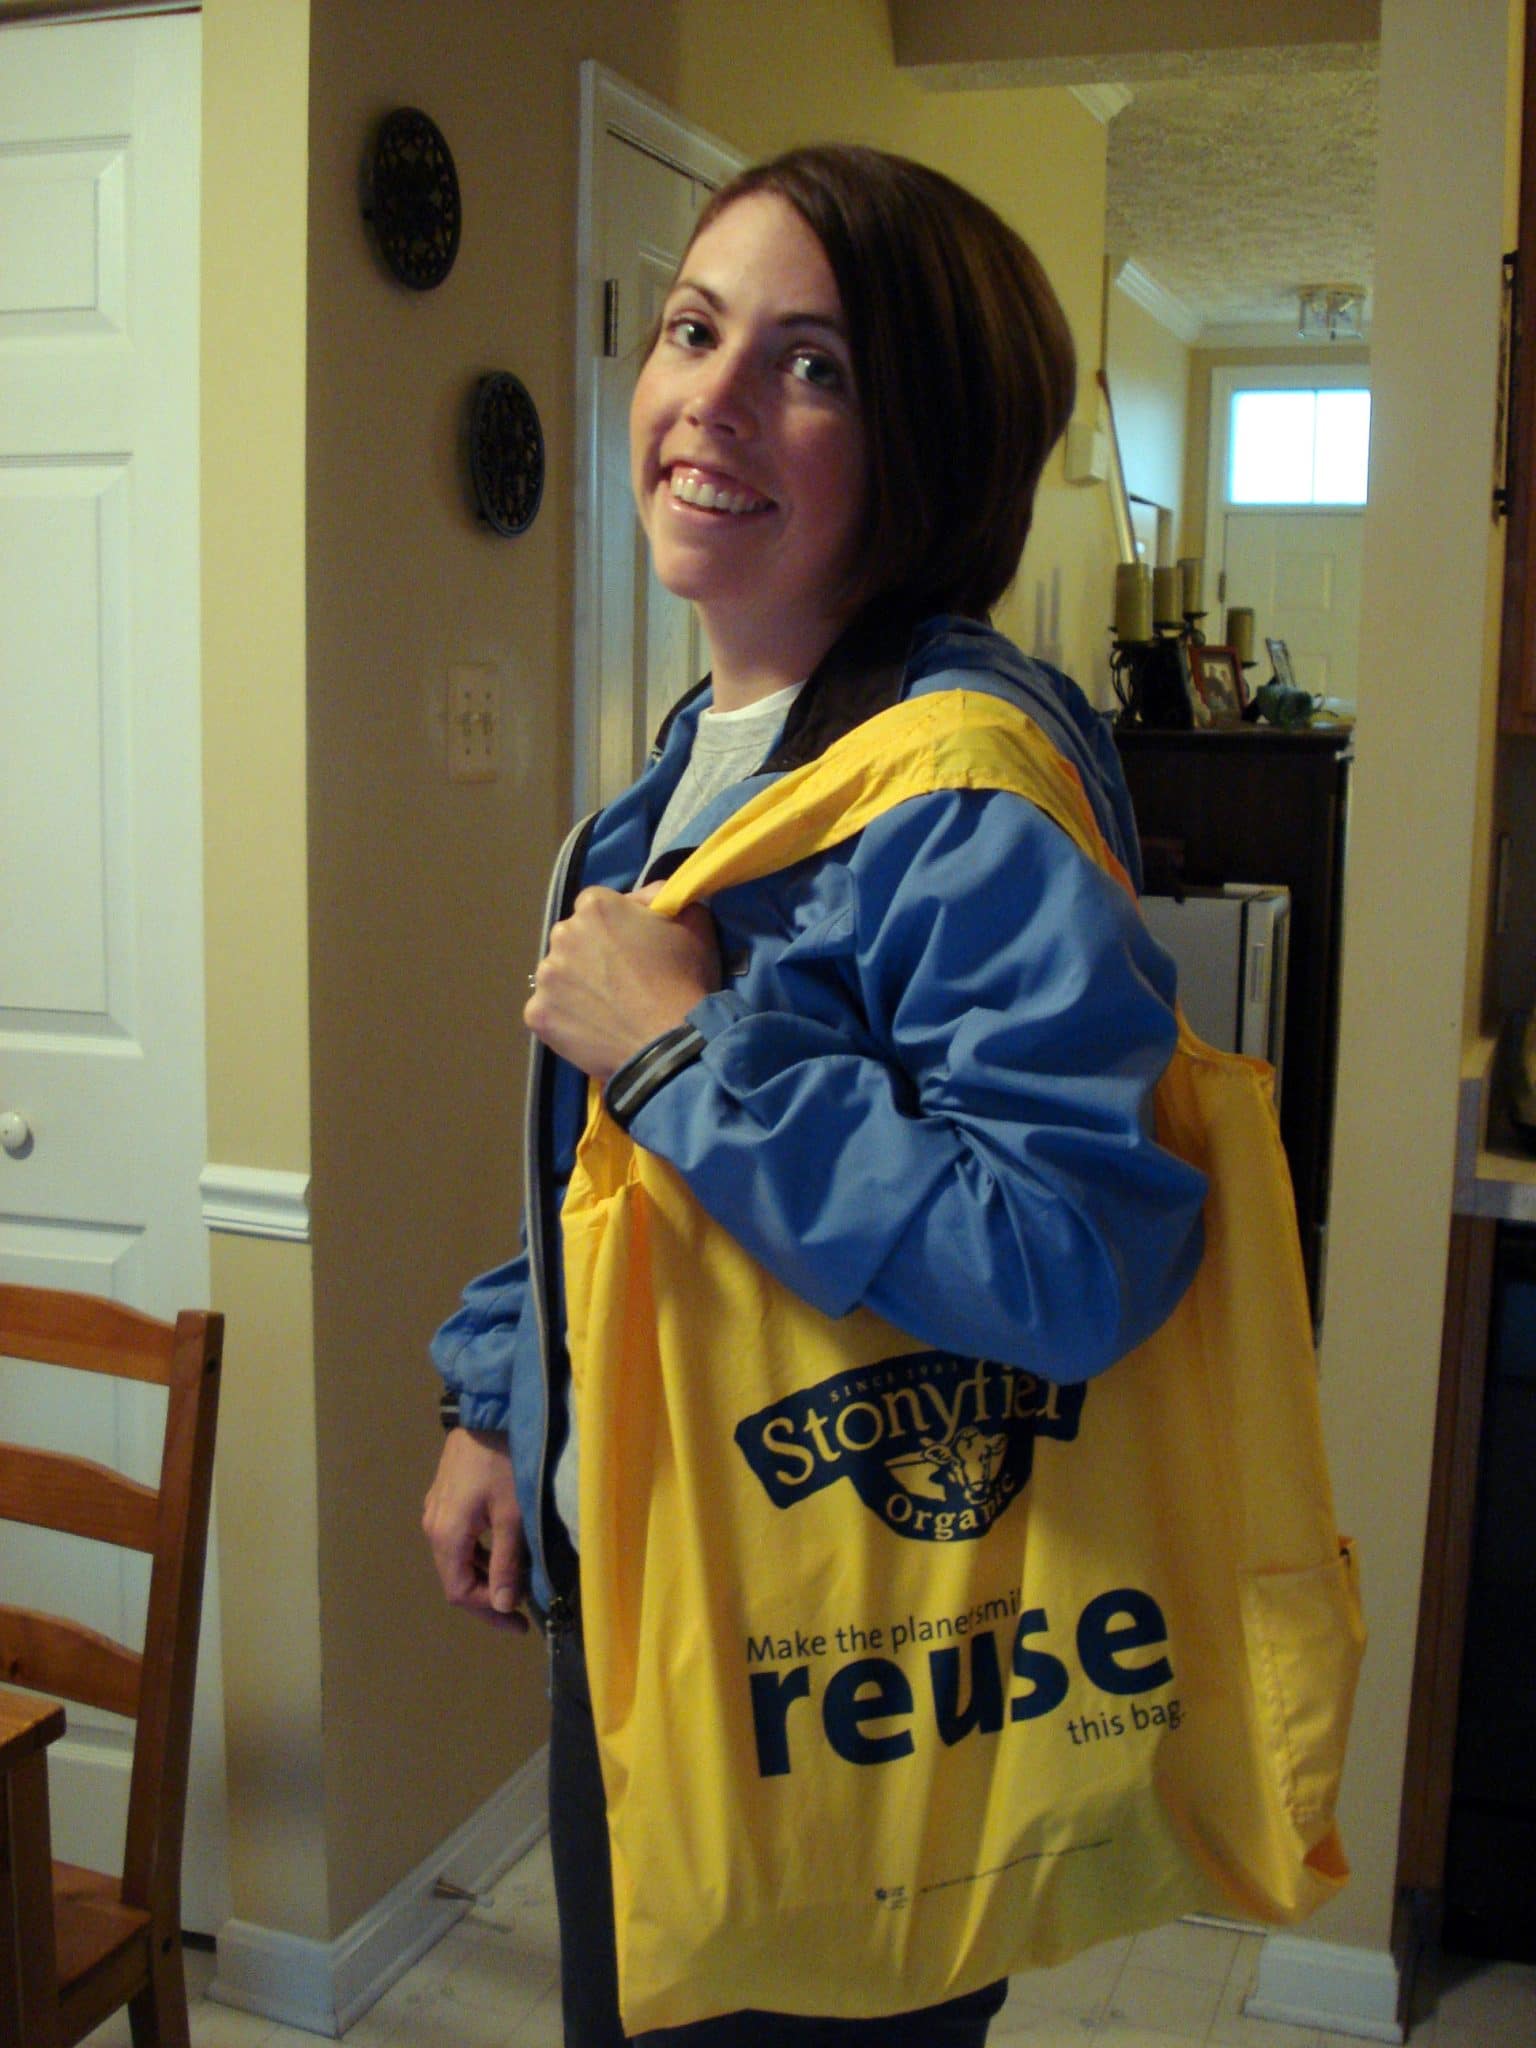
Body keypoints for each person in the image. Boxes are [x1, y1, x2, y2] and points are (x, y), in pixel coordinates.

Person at [423, 143, 1208, 2048]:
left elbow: (1073, 1261)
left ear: (928, 443)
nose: (709, 395)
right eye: (695, 327)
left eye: (817, 364)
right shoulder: (697, 764)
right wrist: (500, 1400)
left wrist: (692, 1051)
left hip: (847, 1645)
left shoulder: (960, 797)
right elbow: (624, 1183)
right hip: (658, 1602)